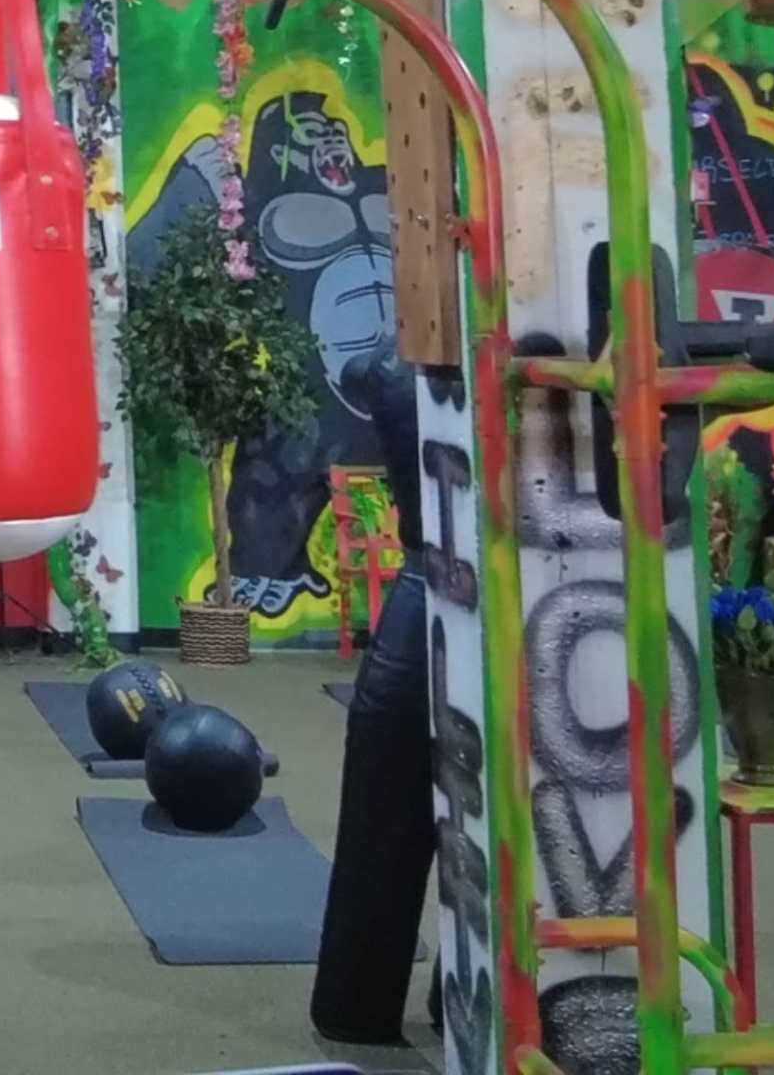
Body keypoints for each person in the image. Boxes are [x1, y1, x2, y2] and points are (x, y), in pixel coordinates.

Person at [312, 351, 434, 1046]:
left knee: (385, 821)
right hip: (441, 591)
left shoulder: (396, 365)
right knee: (384, 816)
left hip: (454, 598)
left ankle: (364, 1005)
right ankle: (358, 1007)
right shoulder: (404, 365)